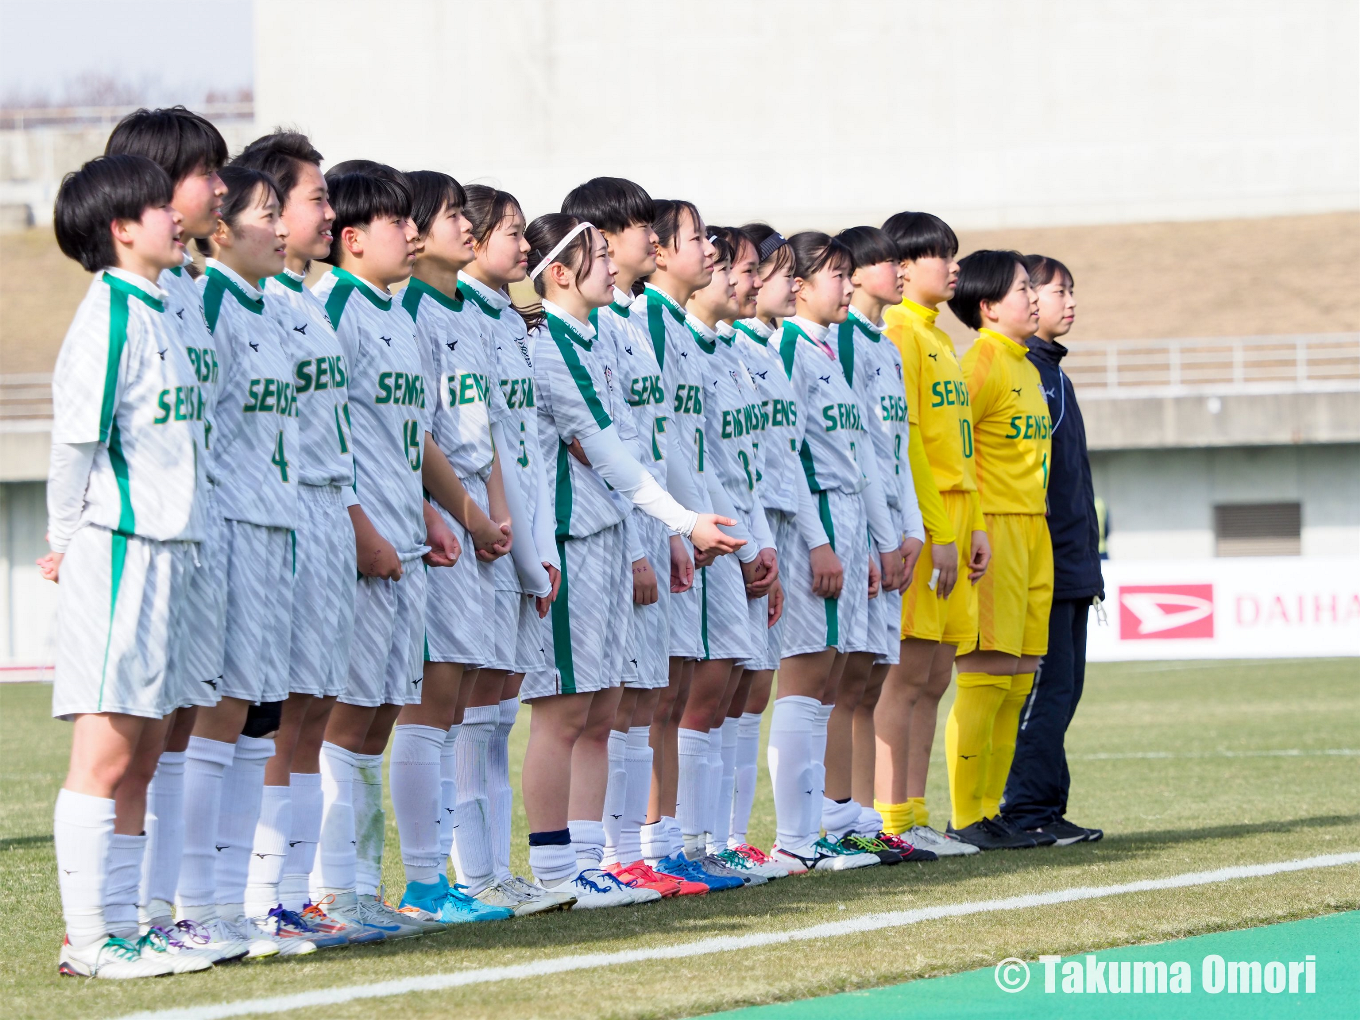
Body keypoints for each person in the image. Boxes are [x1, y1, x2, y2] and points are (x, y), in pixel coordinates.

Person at [520, 213, 743, 905]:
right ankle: (556, 870)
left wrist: (668, 532)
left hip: (616, 537)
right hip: (571, 539)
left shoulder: (599, 337)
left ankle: (592, 862)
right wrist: (683, 520)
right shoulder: (548, 341)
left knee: (601, 708)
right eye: (596, 256)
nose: (613, 264)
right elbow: (602, 447)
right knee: (564, 711)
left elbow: (636, 444)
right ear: (560, 273)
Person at [46, 153, 212, 978]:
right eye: (159, 208)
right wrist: (63, 538)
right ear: (121, 229)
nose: (176, 218)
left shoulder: (161, 307)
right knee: (106, 755)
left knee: (146, 753)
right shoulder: (107, 316)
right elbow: (75, 443)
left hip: (174, 554)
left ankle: (129, 927)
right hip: (122, 551)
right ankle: (88, 940)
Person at [308, 163, 460, 936]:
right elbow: (323, 432)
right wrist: (360, 523)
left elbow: (410, 431)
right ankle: (335, 890)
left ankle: (362, 887)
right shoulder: (331, 307)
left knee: (380, 716)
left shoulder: (395, 312)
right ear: (352, 236)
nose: (412, 234)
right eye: (398, 222)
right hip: (361, 542)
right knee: (347, 715)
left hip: (406, 537)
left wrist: (440, 510)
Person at [228, 132, 363, 945]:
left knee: (309, 713)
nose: (327, 213)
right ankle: (256, 892)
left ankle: (292, 893)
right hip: (284, 515)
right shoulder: (255, 303)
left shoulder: (302, 302)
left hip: (321, 514)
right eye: (314, 198)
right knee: (275, 717)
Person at [102, 105, 231, 941]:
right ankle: (126, 920)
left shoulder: (187, 289)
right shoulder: (125, 302)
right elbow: (91, 431)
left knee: (177, 732)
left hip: (202, 540)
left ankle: (171, 912)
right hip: (144, 547)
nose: (220, 188)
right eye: (205, 174)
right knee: (134, 743)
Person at [395, 170, 537, 920]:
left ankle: (476, 872)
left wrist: (502, 523)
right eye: (455, 215)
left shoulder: (482, 317)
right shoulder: (409, 309)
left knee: (478, 706)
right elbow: (415, 436)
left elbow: (497, 443)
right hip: (445, 523)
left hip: (481, 520)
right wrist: (461, 517)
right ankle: (432, 880)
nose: (468, 228)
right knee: (436, 702)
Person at [561, 178, 700, 897]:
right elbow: (593, 444)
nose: (655, 241)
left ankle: (623, 852)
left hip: (638, 525)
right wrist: (657, 537)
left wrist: (671, 530)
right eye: (646, 227)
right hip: (594, 531)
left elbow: (652, 438)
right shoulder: (561, 324)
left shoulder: (628, 322)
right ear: (600, 237)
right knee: (586, 706)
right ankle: (589, 859)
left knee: (635, 699)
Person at [454, 185, 570, 909]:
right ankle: (470, 875)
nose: (523, 246)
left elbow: (526, 443)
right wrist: (510, 536)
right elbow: (480, 440)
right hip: (481, 538)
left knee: (498, 704)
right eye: (510, 231)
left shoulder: (512, 317)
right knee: (471, 706)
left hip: (522, 533)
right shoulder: (458, 314)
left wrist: (540, 544)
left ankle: (493, 872)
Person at [768, 231, 898, 874]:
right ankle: (800, 837)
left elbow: (862, 456)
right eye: (836, 275)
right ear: (801, 282)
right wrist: (820, 539)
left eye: (850, 276)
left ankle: (836, 824)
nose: (847, 287)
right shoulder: (787, 349)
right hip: (812, 521)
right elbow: (789, 454)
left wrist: (874, 541)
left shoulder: (825, 351)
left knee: (835, 677)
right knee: (808, 674)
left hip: (847, 521)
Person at [876, 212, 985, 857]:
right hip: (928, 518)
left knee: (936, 674)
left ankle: (913, 814)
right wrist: (938, 528)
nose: (952, 267)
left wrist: (973, 526)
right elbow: (909, 443)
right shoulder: (900, 333)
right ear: (902, 266)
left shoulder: (938, 337)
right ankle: (892, 817)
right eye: (937, 256)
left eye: (952, 255)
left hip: (958, 516)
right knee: (907, 673)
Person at [829, 226, 933, 863]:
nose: (899, 271)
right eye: (888, 262)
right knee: (841, 683)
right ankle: (832, 819)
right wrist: (881, 534)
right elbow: (849, 453)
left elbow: (894, 450)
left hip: (891, 527)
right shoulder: (838, 341)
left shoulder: (884, 344)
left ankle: (867, 818)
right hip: (857, 530)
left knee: (867, 681)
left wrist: (912, 528)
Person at [945, 249, 1055, 851]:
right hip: (995, 531)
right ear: (987, 307)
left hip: (1033, 531)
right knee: (985, 676)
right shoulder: (979, 365)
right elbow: (957, 452)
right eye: (1022, 290)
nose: (1034, 298)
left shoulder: (1026, 367)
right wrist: (973, 527)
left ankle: (997, 812)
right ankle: (967, 817)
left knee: (1018, 679)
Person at [683, 229, 779, 887]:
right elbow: (698, 462)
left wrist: (763, 540)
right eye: (734, 269)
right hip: (704, 540)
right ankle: (683, 843)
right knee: (692, 696)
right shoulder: (677, 342)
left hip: (742, 537)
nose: (742, 282)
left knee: (735, 695)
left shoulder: (738, 353)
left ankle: (721, 838)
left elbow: (754, 467)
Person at [1001, 254, 1104, 845]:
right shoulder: (1026, 374)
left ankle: (1044, 805)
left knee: (1062, 692)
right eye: (1055, 291)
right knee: (1042, 692)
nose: (1068, 303)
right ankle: (1024, 808)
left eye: (1072, 291)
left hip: (1069, 564)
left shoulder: (1052, 374)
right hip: (1044, 562)